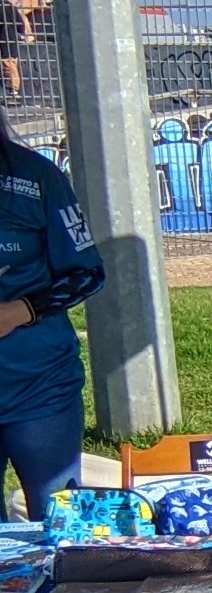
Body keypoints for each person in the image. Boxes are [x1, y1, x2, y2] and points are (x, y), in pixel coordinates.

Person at [0, 121, 105, 519]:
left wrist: (21, 310)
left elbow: (88, 273)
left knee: (59, 527)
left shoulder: (38, 179)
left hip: (39, 389)